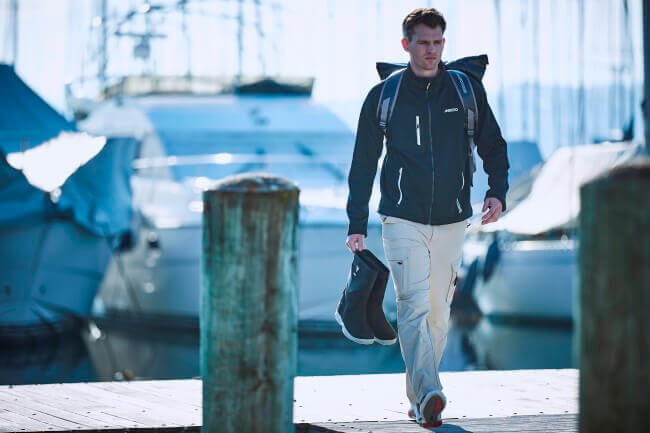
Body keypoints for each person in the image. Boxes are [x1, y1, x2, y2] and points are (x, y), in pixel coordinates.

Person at [344, 7, 509, 428]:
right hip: (402, 220)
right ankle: (432, 391)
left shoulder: (465, 92)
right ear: (407, 45)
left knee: (438, 312)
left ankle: (420, 400)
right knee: (413, 305)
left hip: (454, 220)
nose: (431, 51)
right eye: (423, 42)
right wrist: (356, 221)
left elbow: (494, 146)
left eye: (438, 43)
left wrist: (496, 192)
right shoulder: (384, 96)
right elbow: (364, 162)